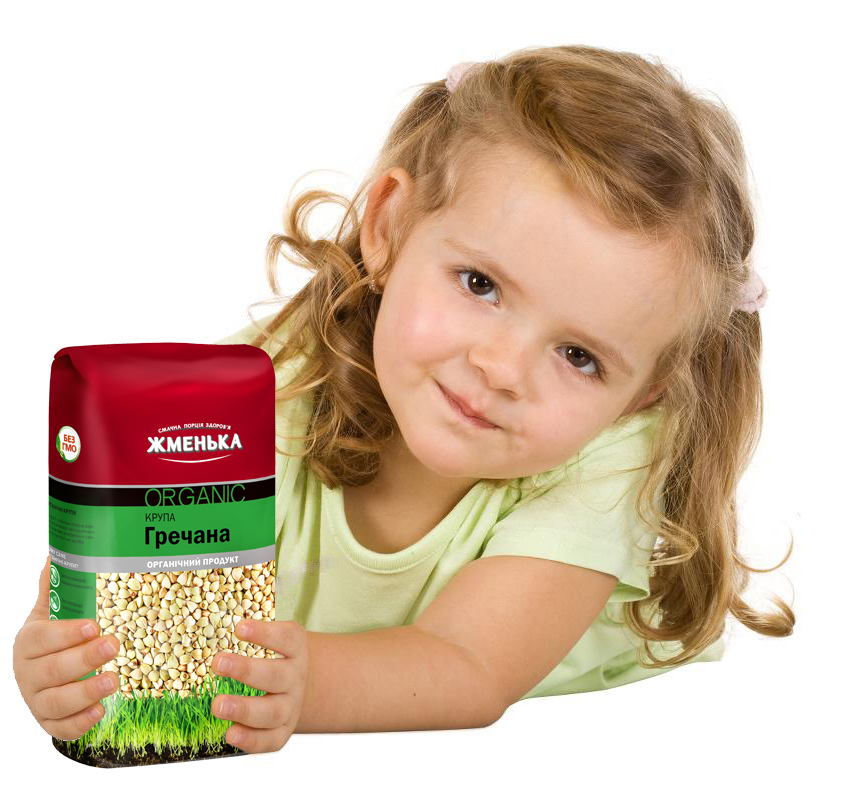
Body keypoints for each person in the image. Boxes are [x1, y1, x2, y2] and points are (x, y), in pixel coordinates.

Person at [14, 44, 794, 754]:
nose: (501, 369)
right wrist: (65, 655)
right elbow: (113, 581)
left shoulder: (611, 454)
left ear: (642, 392)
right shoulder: (266, 389)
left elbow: (470, 664)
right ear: (389, 225)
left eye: (579, 356)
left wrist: (304, 686)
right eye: (480, 285)